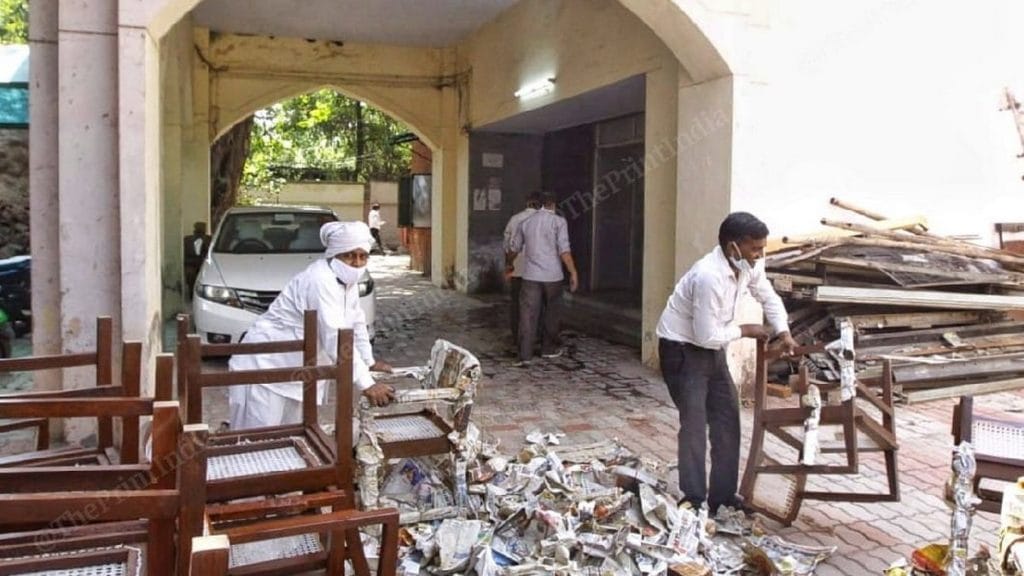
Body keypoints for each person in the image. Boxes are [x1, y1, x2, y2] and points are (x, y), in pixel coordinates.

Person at [656, 211, 797, 515]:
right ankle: (693, 498)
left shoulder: (748, 265)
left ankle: (723, 497)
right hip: (682, 349)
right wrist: (745, 330)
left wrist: (783, 332)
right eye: (754, 248)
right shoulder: (708, 276)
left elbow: (768, 297)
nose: (760, 255)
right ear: (734, 246)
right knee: (694, 424)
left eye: (762, 248)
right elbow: (705, 335)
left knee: (727, 419)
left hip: (712, 348)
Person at [228, 221, 395, 430]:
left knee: (290, 437)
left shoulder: (346, 282)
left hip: (296, 371)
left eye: (363, 256)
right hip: (265, 366)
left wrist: (368, 361)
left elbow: (356, 321)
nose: (356, 263)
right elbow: (334, 336)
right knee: (256, 438)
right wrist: (367, 383)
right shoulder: (320, 280)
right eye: (349, 255)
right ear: (335, 255)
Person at [508, 192, 579, 367]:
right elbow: (564, 250)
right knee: (552, 313)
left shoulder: (525, 223)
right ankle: (548, 349)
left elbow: (514, 248)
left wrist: (508, 264)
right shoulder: (559, 222)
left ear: (538, 204)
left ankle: (524, 355)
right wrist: (573, 272)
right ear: (553, 204)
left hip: (530, 276)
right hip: (553, 276)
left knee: (527, 315)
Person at [502, 192, 541, 345]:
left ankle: (516, 335)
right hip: (537, 271)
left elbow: (507, 245)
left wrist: (508, 264)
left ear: (527, 202)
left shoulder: (515, 219)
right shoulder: (544, 220)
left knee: (517, 303)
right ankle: (535, 335)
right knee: (537, 304)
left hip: (517, 268)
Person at [183, 222, 212, 296]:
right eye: (198, 230)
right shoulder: (187, 240)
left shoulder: (210, 240)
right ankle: (191, 292)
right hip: (191, 264)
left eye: (202, 230)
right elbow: (184, 254)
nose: (200, 233)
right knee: (190, 274)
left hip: (205, 264)